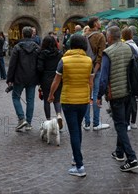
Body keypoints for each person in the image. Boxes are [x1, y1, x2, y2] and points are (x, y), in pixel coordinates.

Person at [48, 34, 93, 177]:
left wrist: (51, 95)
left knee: (73, 131)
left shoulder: (64, 61)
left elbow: (56, 81)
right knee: (77, 129)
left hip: (68, 100)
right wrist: (90, 96)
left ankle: (80, 166)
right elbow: (90, 82)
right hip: (83, 100)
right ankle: (76, 156)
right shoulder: (88, 61)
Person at [98, 26, 138, 172]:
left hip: (116, 94)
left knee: (120, 126)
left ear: (109, 37)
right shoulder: (129, 48)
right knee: (123, 122)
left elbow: (103, 79)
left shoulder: (107, 53)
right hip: (129, 92)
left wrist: (98, 96)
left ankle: (132, 158)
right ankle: (119, 152)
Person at [6, 26, 40, 131]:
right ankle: (28, 123)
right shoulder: (37, 48)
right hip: (32, 77)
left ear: (22, 34)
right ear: (32, 35)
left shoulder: (17, 47)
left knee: (15, 97)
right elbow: (39, 64)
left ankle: (21, 118)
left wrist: (9, 79)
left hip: (19, 77)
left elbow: (12, 64)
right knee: (30, 100)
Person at [84, 17, 109, 131]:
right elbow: (101, 56)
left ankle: (87, 123)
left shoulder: (84, 36)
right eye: (98, 21)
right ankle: (96, 123)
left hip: (85, 68)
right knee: (95, 95)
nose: (100, 23)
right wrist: (95, 70)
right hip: (95, 69)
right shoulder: (100, 36)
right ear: (95, 24)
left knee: (87, 96)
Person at [37, 35, 64, 126]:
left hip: (45, 78)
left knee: (47, 100)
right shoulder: (59, 53)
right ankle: (59, 114)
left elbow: (39, 68)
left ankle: (48, 120)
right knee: (57, 99)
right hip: (57, 77)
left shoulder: (41, 53)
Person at [122, 27, 138, 130]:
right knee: (133, 99)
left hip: (126, 75)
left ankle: (127, 122)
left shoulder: (124, 46)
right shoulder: (135, 46)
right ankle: (133, 121)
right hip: (134, 76)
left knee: (127, 99)